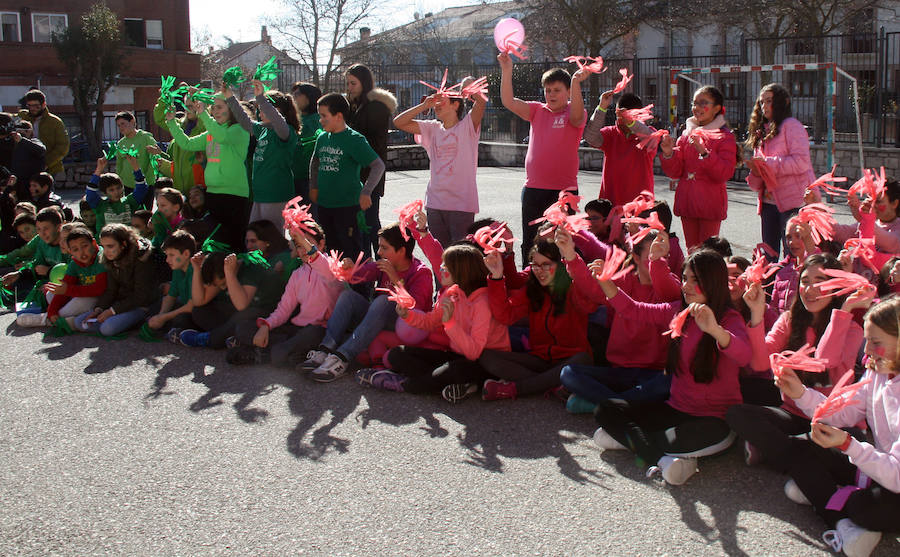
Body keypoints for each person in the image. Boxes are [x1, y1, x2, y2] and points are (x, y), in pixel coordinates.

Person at [592, 249, 751, 485]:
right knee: (605, 410)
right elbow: (633, 309)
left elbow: (744, 355)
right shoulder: (679, 311)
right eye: (685, 278)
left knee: (666, 439)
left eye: (694, 280)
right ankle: (662, 459)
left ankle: (636, 442)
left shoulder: (729, 318)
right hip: (676, 409)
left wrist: (715, 330)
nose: (686, 285)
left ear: (712, 282)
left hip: (714, 420)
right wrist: (605, 282)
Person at [775, 296, 900, 557]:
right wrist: (800, 393)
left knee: (863, 508)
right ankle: (839, 513)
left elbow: (896, 477)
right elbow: (841, 412)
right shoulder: (877, 371)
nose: (866, 354)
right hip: (877, 467)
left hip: (894, 481)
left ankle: (827, 497)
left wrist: (847, 445)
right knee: (799, 447)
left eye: (876, 344)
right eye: (867, 343)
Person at [727, 254, 870, 469]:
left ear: (836, 289)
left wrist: (845, 310)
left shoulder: (852, 329)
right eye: (805, 281)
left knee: (842, 441)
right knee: (736, 413)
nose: (810, 289)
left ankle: (779, 452)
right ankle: (795, 454)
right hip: (792, 414)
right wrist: (757, 313)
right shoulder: (789, 319)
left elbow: (825, 361)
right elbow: (759, 364)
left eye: (820, 283)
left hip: (832, 422)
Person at [357, 243, 510, 402]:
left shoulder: (481, 302)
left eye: (446, 265)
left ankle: (405, 384)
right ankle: (454, 384)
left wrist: (450, 323)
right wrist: (407, 315)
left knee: (453, 370)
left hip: (484, 362)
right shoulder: (452, 293)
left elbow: (473, 353)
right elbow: (430, 321)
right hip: (457, 355)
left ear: (461, 271)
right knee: (398, 353)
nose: (441, 268)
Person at [560, 230, 682, 413]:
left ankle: (604, 404)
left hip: (654, 374)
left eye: (663, 255)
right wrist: (569, 254)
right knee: (569, 373)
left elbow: (665, 287)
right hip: (620, 370)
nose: (657, 259)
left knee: (671, 383)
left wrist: (657, 261)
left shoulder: (672, 285)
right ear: (636, 257)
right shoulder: (624, 280)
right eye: (651, 255)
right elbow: (592, 289)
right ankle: (625, 405)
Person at [301, 222, 433, 382]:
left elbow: (415, 308)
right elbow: (356, 275)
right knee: (348, 297)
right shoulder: (384, 264)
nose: (379, 252)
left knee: (384, 300)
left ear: (402, 250)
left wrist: (396, 280)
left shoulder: (421, 272)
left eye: (384, 248)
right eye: (379, 247)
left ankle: (341, 358)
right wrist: (348, 267)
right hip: (376, 318)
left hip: (405, 326)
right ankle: (325, 349)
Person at [478, 226, 596, 400]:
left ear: (560, 264)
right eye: (536, 265)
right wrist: (496, 277)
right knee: (486, 356)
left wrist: (574, 263)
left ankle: (515, 389)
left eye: (547, 265)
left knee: (583, 359)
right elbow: (505, 315)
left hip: (570, 359)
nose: (540, 270)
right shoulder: (533, 289)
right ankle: (553, 385)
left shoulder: (572, 287)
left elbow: (591, 304)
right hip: (540, 360)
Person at [498, 54, 587, 261]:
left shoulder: (574, 112)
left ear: (568, 92)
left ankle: (562, 285)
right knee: (531, 241)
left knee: (561, 242)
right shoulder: (537, 110)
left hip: (563, 192)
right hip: (533, 189)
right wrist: (506, 69)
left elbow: (576, 118)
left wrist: (575, 81)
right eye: (548, 90)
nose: (551, 95)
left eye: (557, 90)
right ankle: (530, 279)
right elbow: (509, 102)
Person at [227, 221, 343, 367]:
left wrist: (302, 241)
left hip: (320, 330)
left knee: (310, 335)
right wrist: (266, 327)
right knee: (243, 327)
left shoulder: (332, 266)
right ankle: (285, 354)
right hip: (296, 330)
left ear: (321, 244)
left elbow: (320, 263)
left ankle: (264, 354)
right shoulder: (297, 274)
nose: (303, 250)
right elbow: (284, 309)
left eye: (308, 244)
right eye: (299, 245)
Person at [393, 79, 487, 247]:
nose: (436, 104)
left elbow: (480, 103)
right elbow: (398, 122)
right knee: (439, 256)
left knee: (460, 256)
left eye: (441, 101)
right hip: (435, 204)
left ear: (455, 105)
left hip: (462, 204)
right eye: (435, 101)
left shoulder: (467, 126)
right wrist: (424, 105)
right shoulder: (432, 128)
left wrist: (469, 85)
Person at [165, 91, 251, 252]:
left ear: (232, 109)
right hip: (213, 193)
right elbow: (187, 144)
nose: (215, 111)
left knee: (234, 242)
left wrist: (203, 114)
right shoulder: (212, 132)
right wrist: (171, 122)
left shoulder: (239, 129)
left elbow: (222, 137)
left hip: (234, 195)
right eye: (213, 108)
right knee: (216, 242)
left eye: (219, 107)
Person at [659, 86, 737, 250]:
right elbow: (676, 172)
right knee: (691, 252)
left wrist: (705, 153)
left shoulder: (725, 137)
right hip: (687, 203)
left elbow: (724, 173)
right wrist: (668, 154)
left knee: (707, 255)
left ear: (716, 108)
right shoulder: (686, 135)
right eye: (695, 103)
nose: (697, 108)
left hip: (710, 205)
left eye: (703, 103)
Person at [309, 93, 385, 260]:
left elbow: (378, 165)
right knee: (330, 250)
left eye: (324, 116)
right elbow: (315, 162)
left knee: (350, 251)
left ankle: (357, 286)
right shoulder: (322, 137)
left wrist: (366, 192)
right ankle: (336, 285)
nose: (320, 120)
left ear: (339, 116)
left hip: (347, 207)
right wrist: (313, 186)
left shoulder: (354, 140)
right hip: (325, 204)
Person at [745, 84, 815, 260]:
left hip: (793, 203)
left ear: (783, 102)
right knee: (769, 256)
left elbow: (801, 162)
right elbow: (758, 181)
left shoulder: (792, 126)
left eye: (769, 101)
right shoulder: (762, 133)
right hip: (768, 203)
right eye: (761, 102)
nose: (764, 106)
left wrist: (767, 164)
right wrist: (755, 172)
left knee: (793, 254)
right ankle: (771, 288)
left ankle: (791, 287)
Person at [226, 80, 300, 229]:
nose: (260, 113)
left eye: (264, 109)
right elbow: (245, 122)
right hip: (260, 195)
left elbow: (278, 121)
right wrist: (230, 98)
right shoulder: (263, 129)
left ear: (278, 111)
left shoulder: (286, 132)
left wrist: (261, 98)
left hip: (275, 195)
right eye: (259, 109)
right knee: (256, 235)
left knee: (272, 238)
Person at [177, 251, 281, 349]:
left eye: (223, 284)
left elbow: (242, 305)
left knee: (242, 318)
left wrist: (229, 274)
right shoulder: (221, 272)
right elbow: (198, 302)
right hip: (238, 313)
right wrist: (196, 269)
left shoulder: (250, 268)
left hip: (266, 313)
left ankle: (210, 339)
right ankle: (230, 338)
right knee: (199, 311)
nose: (222, 288)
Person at [345, 64, 397, 258]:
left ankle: (382, 265)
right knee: (362, 223)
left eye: (353, 83)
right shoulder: (355, 105)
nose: (349, 87)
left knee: (369, 223)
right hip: (355, 173)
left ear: (364, 83)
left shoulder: (375, 107)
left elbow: (373, 142)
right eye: (348, 83)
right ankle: (370, 265)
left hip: (370, 174)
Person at [74, 224, 159, 337]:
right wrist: (99, 309)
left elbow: (141, 296)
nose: (106, 251)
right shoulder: (110, 259)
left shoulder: (141, 259)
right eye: (103, 247)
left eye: (110, 246)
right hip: (120, 303)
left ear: (123, 244)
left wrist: (112, 311)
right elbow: (111, 290)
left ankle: (138, 321)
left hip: (142, 305)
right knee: (79, 322)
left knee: (107, 329)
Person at [583, 92, 657, 206]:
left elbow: (652, 140)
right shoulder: (610, 134)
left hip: (640, 207)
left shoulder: (648, 134)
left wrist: (632, 123)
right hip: (611, 204)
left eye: (628, 116)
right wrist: (601, 108)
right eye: (620, 116)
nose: (622, 121)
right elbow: (590, 137)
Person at [153, 85, 206, 194]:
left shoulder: (204, 126)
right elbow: (160, 118)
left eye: (191, 106)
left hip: (198, 188)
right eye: (186, 106)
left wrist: (201, 97)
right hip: (179, 187)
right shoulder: (180, 125)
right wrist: (164, 99)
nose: (187, 109)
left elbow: (207, 116)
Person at [147, 230, 197, 337]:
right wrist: (161, 315)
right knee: (154, 309)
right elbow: (171, 296)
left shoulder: (195, 270)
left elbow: (192, 305)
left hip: (196, 309)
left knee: (182, 319)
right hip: (184, 304)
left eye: (171, 255)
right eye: (167, 255)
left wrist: (163, 318)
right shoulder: (178, 269)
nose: (167, 260)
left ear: (186, 254)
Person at [85, 156, 149, 232]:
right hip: (106, 242)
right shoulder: (100, 205)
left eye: (118, 188)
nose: (116, 192)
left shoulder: (129, 202)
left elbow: (141, 189)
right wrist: (99, 170)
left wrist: (135, 167)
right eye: (111, 190)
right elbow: (90, 193)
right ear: (105, 192)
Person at [17, 89, 68, 178]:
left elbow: (63, 147)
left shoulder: (55, 122)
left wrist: (46, 163)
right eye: (29, 105)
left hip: (49, 168)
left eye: (36, 106)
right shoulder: (22, 117)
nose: (32, 109)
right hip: (25, 165)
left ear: (44, 104)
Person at [0, 112, 46, 201]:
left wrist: (21, 140)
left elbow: (41, 151)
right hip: (8, 188)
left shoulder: (29, 142)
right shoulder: (4, 144)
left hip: (27, 187)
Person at [290, 81, 322, 201]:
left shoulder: (317, 120)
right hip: (293, 175)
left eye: (297, 94)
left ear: (309, 97)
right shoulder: (295, 118)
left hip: (309, 179)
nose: (294, 97)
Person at [113, 111, 158, 195]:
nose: (121, 127)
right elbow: (119, 164)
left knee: (145, 208)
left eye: (123, 123)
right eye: (118, 125)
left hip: (146, 183)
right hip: (128, 185)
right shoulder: (120, 143)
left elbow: (154, 157)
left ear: (132, 121)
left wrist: (149, 178)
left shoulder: (146, 138)